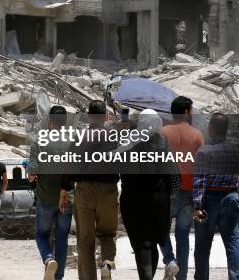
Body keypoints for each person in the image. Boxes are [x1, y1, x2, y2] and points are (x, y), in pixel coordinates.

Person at [120, 109, 180, 280]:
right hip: (158, 201)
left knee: (141, 244)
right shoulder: (162, 142)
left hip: (132, 200)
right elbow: (174, 178)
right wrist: (170, 198)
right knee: (151, 242)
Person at [67, 100, 119, 280]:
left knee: (85, 240)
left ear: (89, 116)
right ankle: (106, 262)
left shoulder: (79, 136)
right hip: (108, 190)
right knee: (108, 233)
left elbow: (68, 165)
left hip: (84, 190)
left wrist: (65, 188)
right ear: (105, 117)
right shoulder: (114, 136)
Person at [192, 113, 239, 280]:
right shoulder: (235, 151)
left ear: (211, 128)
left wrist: (197, 206)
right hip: (231, 197)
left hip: (209, 201)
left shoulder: (204, 152)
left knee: (203, 245)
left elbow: (200, 181)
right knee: (233, 243)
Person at [160, 96, 204, 280]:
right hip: (188, 191)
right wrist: (199, 200)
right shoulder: (197, 135)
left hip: (167, 191)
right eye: (191, 109)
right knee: (183, 236)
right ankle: (182, 276)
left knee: (160, 229)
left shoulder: (162, 132)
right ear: (185, 111)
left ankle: (170, 260)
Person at [30, 105, 73, 280]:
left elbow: (32, 175)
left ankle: (48, 259)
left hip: (46, 198)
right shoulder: (73, 141)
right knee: (62, 239)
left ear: (50, 121)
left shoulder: (39, 141)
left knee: (41, 235)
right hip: (67, 199)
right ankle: (58, 276)